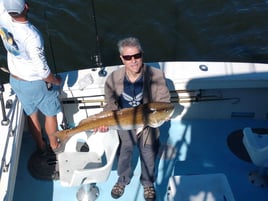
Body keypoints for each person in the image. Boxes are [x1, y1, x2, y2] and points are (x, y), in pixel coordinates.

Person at [97, 37, 170, 201]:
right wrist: (103, 121)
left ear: (142, 55)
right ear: (122, 58)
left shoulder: (156, 75)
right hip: (124, 123)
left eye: (136, 56)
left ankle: (148, 183)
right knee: (124, 152)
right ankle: (122, 180)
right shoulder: (113, 78)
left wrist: (158, 117)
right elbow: (110, 103)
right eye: (128, 57)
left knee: (148, 154)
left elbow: (164, 101)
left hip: (148, 124)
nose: (133, 61)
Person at [0, 0, 61, 153]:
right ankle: (54, 146)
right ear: (26, 7)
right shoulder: (32, 36)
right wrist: (56, 80)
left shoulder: (3, 17)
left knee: (31, 114)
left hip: (15, 80)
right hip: (35, 83)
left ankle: (41, 146)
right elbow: (43, 72)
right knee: (50, 114)